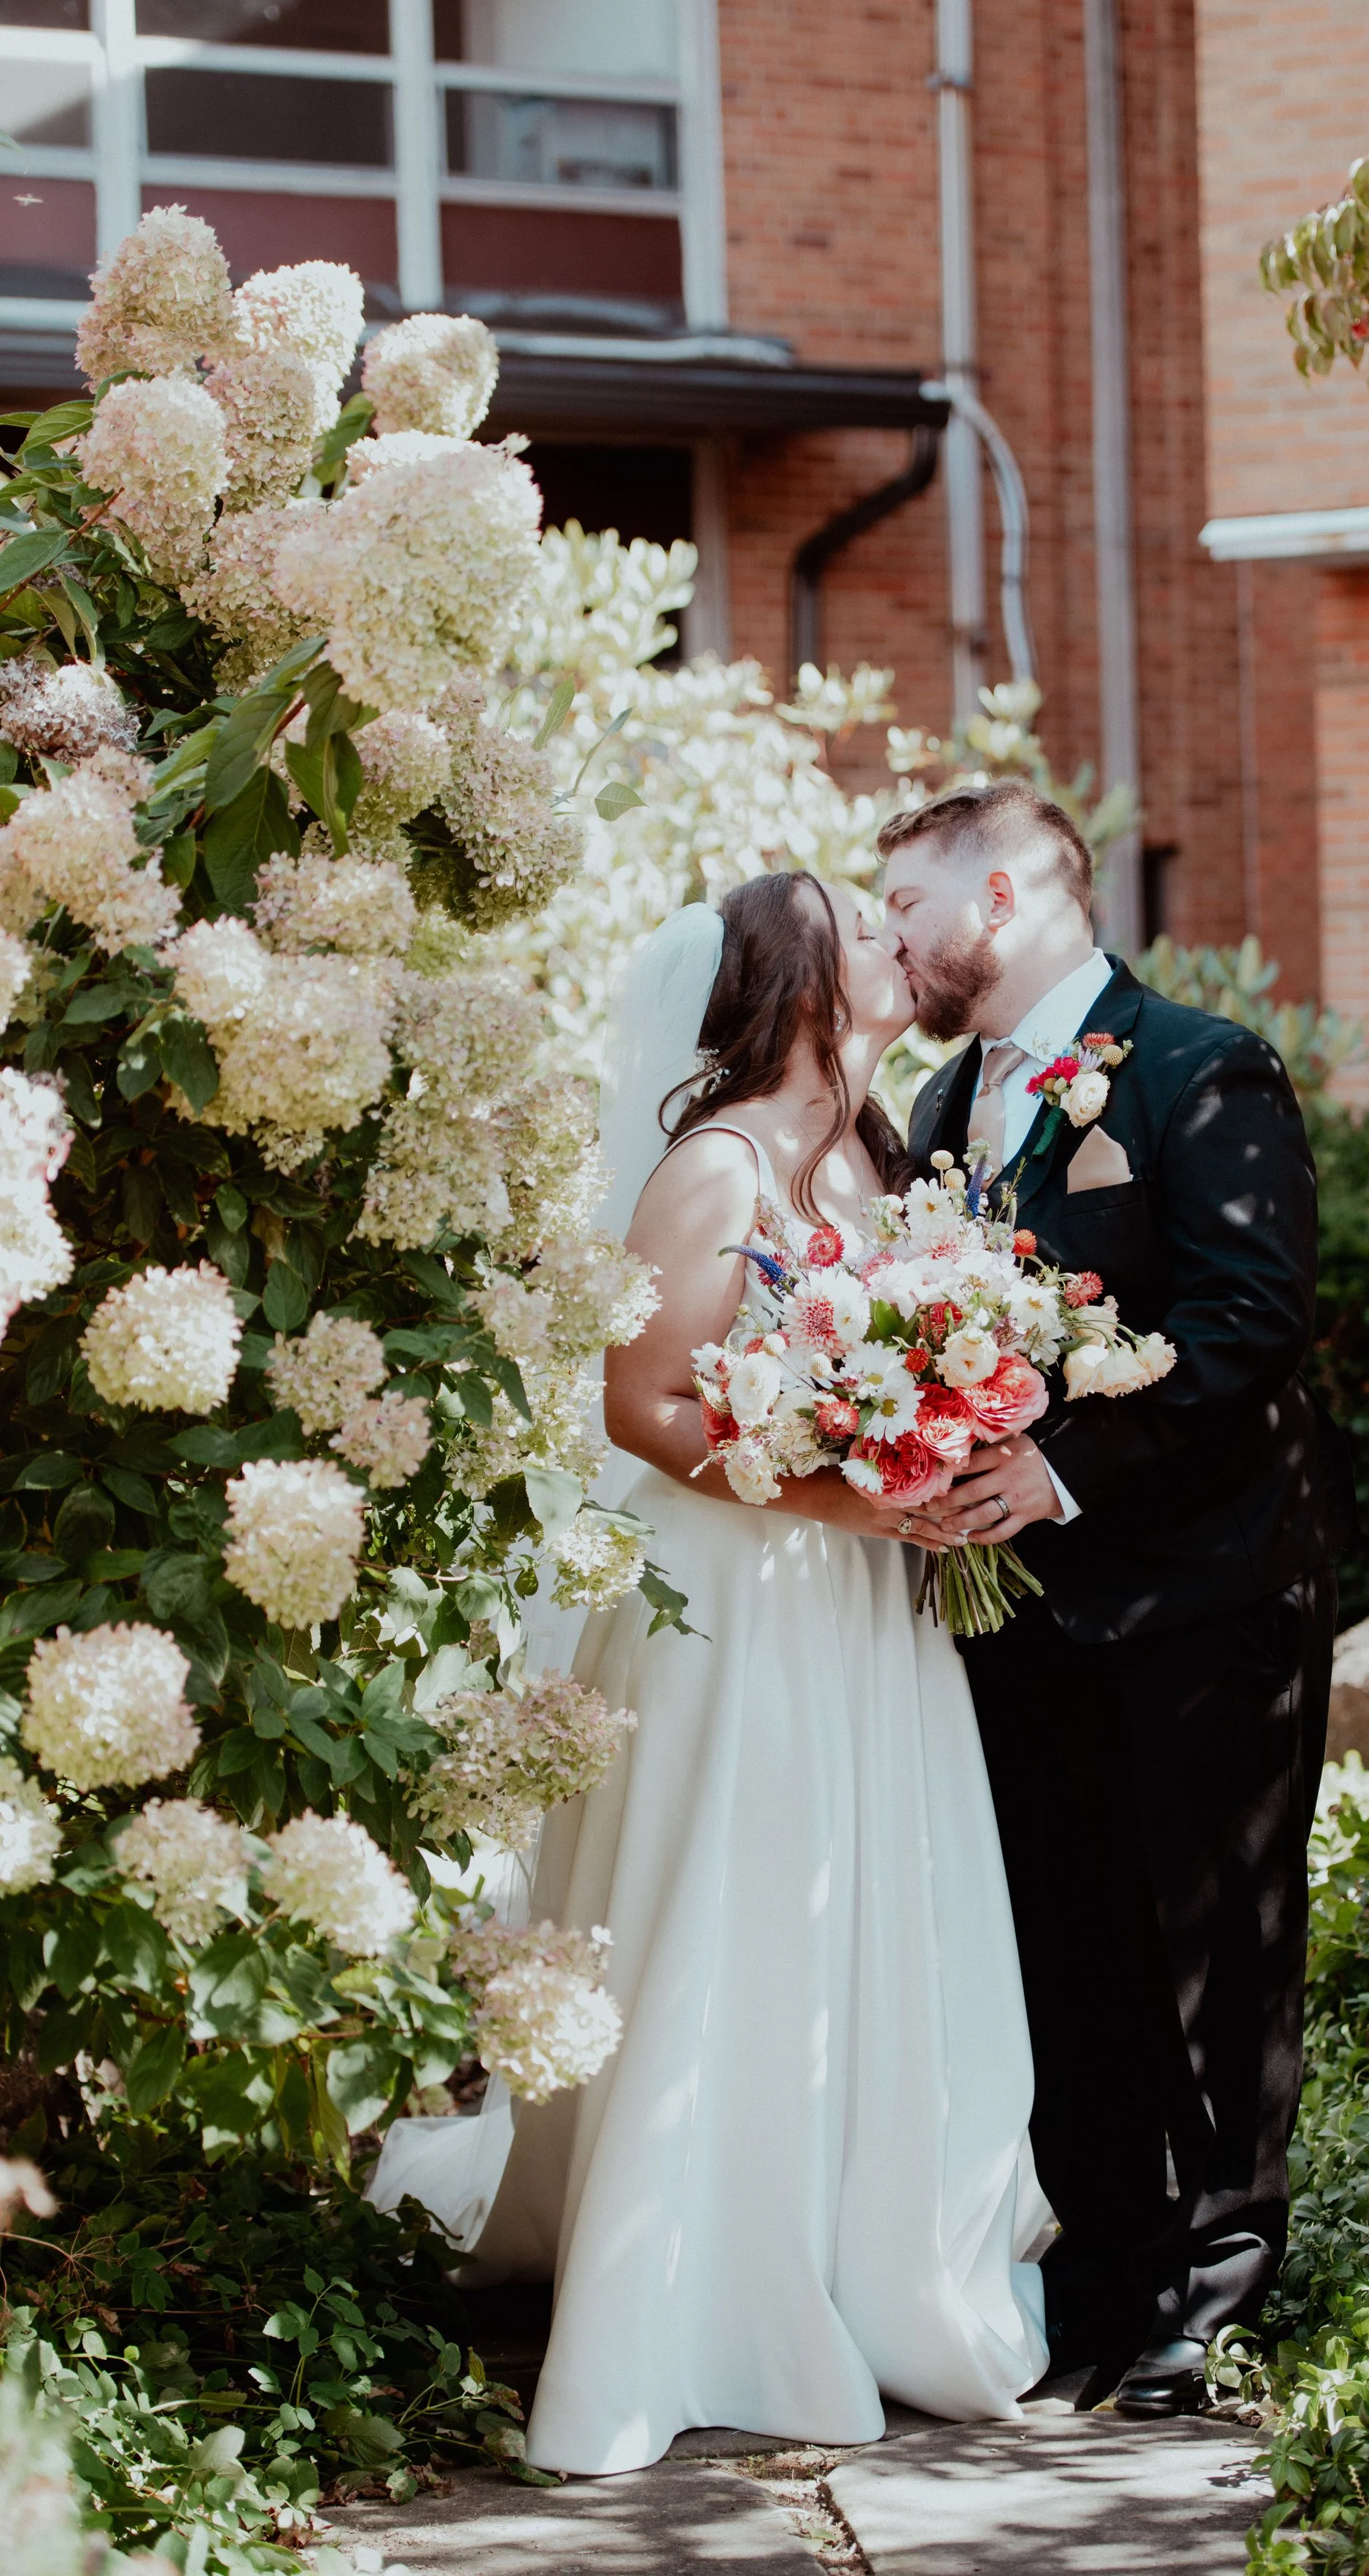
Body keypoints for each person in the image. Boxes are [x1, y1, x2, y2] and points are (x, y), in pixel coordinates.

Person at [466, 872, 1050, 2475]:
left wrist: (942, 1433)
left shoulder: (865, 1161)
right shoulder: (713, 1170)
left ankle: (864, 2251)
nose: (893, 936)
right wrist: (835, 1490)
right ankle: (702, 2277)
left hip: (861, 1593)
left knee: (864, 1903)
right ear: (797, 985)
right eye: (863, 925)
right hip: (744, 1595)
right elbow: (640, 1404)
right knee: (740, 1901)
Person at [880, 781, 1355, 2421]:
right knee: (1059, 1944)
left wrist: (1062, 1472)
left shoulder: (1195, 1069)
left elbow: (1248, 1321)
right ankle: (1100, 2277)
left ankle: (1212, 2291)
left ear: (1002, 900)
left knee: (1207, 1947)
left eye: (907, 911)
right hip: (1014, 1612)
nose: (893, 945)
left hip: (1201, 1596)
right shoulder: (943, 1111)